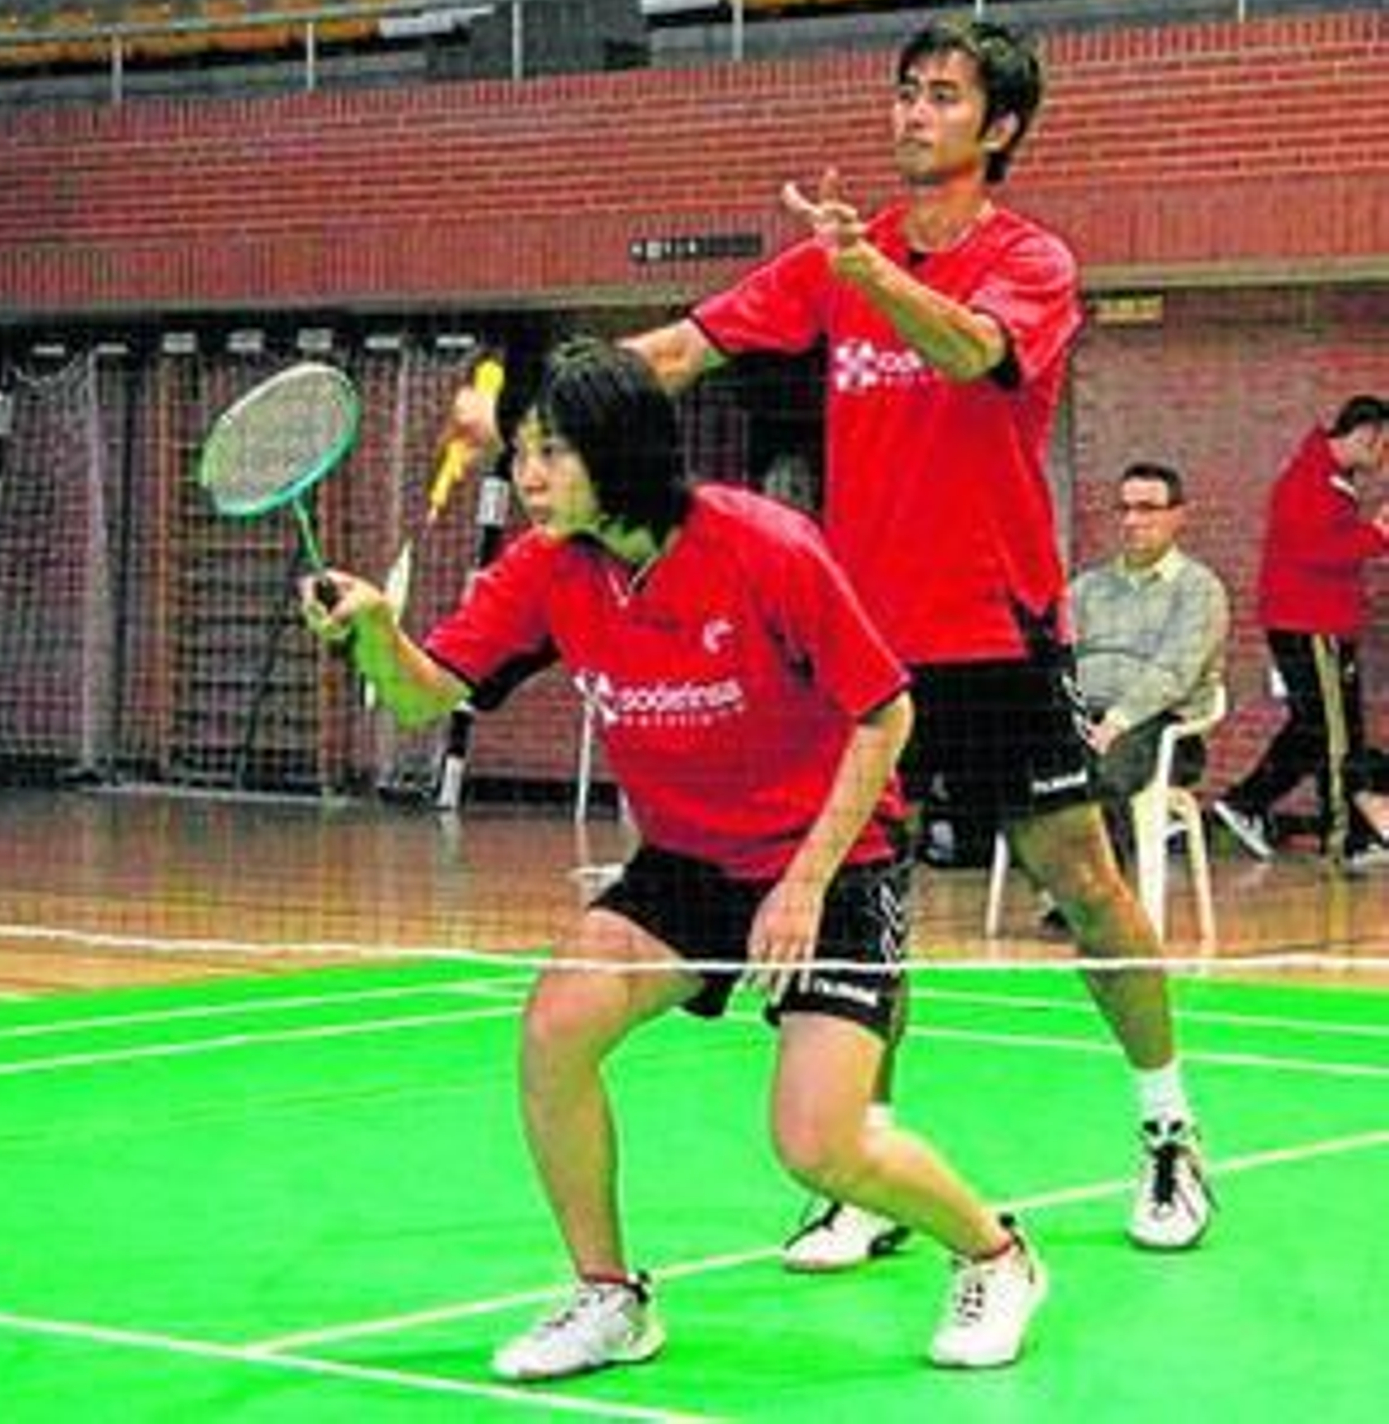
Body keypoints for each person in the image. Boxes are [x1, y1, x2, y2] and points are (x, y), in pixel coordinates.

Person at [448, 17, 1211, 1267]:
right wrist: (540, 418)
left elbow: (974, 353)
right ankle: (865, 1162)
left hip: (997, 631)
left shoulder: (1032, 261)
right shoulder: (831, 263)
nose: (912, 115)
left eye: (943, 97)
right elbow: (682, 352)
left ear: (999, 128)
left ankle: (1167, 1123)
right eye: (905, 93)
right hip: (865, 645)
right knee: (874, 898)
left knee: (1084, 879)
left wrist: (864, 274)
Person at [304, 339, 1047, 1381]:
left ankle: (997, 1253)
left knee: (817, 1143)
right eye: (521, 454)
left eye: (551, 453)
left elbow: (886, 711)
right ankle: (608, 1296)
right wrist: (376, 631)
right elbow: (430, 692)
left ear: (621, 450)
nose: (528, 477)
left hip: (832, 860)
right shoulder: (546, 570)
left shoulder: (763, 546)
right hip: (690, 860)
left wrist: (802, 881)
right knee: (555, 1026)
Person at [1214, 395, 1389, 867]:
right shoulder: (1309, 480)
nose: (1382, 459)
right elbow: (1318, 550)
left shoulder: (1328, 478)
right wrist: (1378, 535)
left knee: (1318, 730)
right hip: (1310, 624)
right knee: (1332, 736)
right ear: (1366, 434)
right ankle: (1344, 841)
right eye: (1383, 447)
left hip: (1319, 623)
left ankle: (1245, 802)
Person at [1072, 462, 1230, 852]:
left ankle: (1102, 902)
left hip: (1159, 727)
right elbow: (1058, 659)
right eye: (1124, 509)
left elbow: (1175, 672)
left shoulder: (1199, 589)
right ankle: (1069, 891)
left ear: (1178, 516)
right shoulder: (1086, 588)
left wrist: (1117, 720)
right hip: (1085, 716)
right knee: (1025, 765)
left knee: (1099, 772)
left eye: (1146, 508)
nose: (1132, 520)